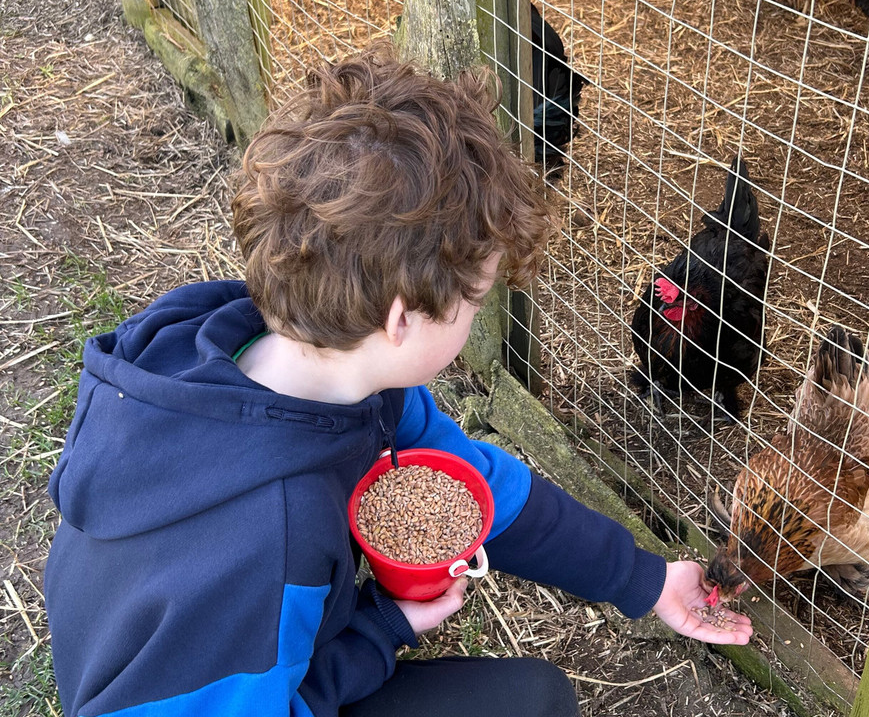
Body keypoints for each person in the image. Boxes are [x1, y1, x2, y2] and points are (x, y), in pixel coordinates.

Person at [44, 41, 752, 717]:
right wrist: (381, 631)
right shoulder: (272, 537)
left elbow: (479, 488)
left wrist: (647, 579)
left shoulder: (290, 358)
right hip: (209, 692)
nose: (477, 314)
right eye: (475, 300)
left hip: (226, 663)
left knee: (533, 698)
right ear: (402, 319)